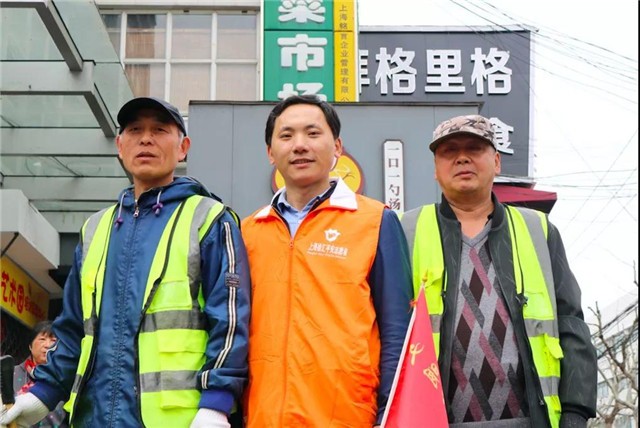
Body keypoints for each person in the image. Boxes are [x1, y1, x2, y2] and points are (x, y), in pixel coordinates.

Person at [0, 97, 250, 428]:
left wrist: (216, 405)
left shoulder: (210, 220)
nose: (146, 139)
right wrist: (41, 394)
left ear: (183, 148)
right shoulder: (95, 229)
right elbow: (73, 328)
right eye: (135, 130)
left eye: (159, 130)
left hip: (180, 421)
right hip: (93, 419)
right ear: (120, 146)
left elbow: (230, 322)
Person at [400, 114, 597, 427]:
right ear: (436, 169)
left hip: (533, 420)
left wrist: (576, 412)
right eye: (449, 151)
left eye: (474, 148)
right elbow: (386, 331)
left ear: (496, 162)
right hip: (434, 420)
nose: (462, 158)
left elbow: (571, 322)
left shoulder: (538, 230)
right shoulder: (405, 230)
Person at [241, 94, 413, 427]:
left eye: (313, 133)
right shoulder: (248, 231)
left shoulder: (375, 221)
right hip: (264, 416)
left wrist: (389, 414)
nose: (300, 145)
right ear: (270, 152)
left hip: (348, 416)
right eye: (286, 135)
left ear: (337, 147)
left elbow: (397, 330)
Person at [13, 321, 67, 428]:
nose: (48, 345)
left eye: (54, 341)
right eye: (42, 339)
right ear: (30, 346)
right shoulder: (11, 374)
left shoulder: (66, 378)